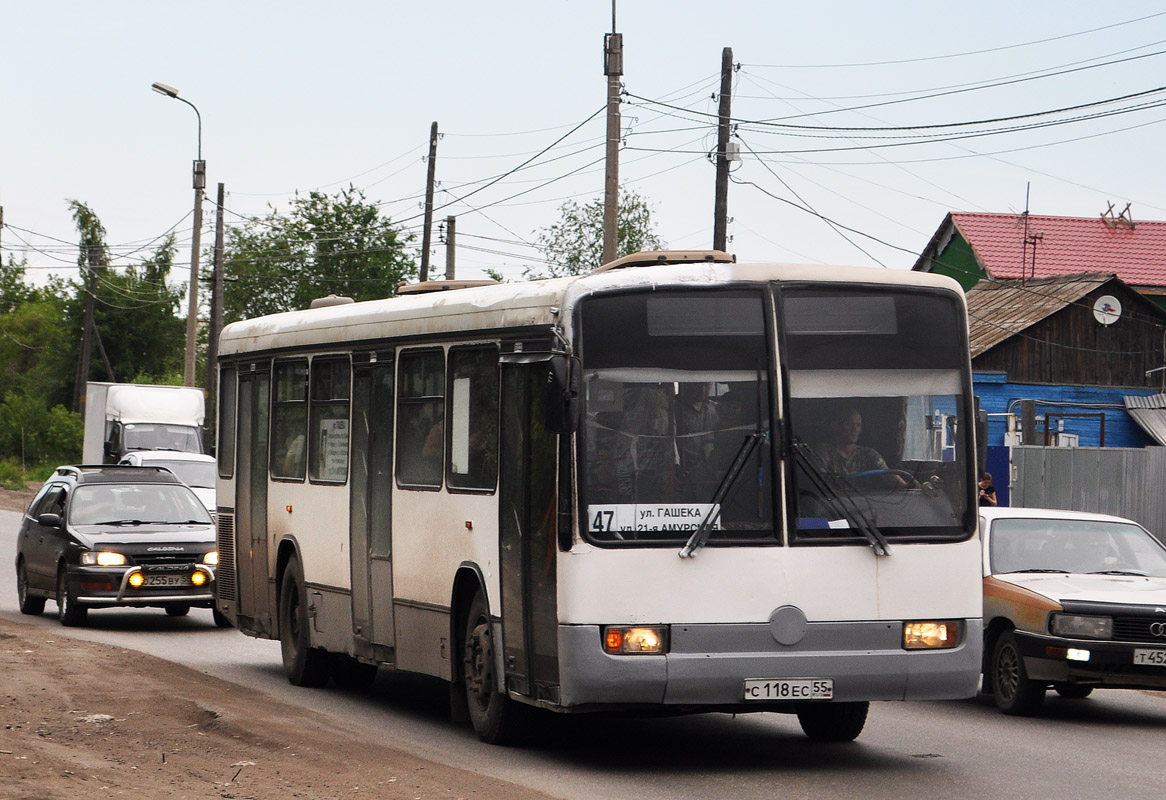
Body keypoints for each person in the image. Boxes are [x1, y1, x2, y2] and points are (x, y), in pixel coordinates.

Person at [813, 407, 911, 487]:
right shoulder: (823, 452)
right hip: (833, 507)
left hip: (866, 507)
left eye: (858, 425)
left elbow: (888, 476)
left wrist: (909, 487)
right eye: (849, 424)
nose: (854, 429)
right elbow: (820, 483)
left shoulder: (869, 454)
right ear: (836, 425)